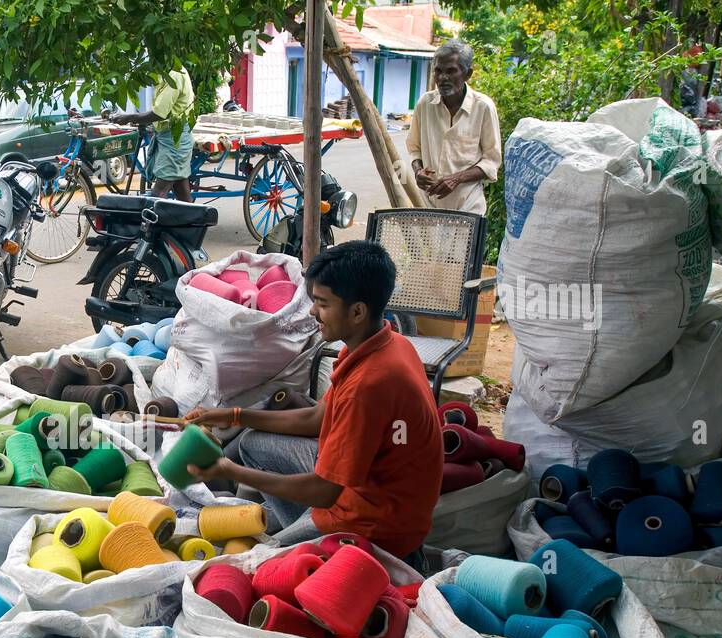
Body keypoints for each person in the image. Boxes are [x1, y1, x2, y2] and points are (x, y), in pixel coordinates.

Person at [184, 241, 443, 565]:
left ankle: (317, 543)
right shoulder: (386, 344)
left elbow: (325, 491)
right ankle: (303, 531)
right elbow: (318, 418)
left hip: (376, 524)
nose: (311, 312)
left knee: (256, 565)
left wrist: (230, 470)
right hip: (373, 491)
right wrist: (234, 415)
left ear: (357, 311)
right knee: (253, 444)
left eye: (322, 303)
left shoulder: (369, 386)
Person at [406, 39, 501, 215]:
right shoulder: (425, 104)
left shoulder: (483, 107)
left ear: (468, 74)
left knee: (464, 244)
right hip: (427, 202)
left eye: (451, 71)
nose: (442, 78)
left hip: (468, 205)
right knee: (426, 244)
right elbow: (414, 148)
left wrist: (456, 179)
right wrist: (418, 171)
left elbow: (492, 161)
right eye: (438, 71)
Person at [110, 66, 196, 202]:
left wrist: (129, 117)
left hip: (175, 139)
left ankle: (150, 224)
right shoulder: (164, 72)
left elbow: (159, 113)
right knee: (181, 190)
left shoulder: (174, 75)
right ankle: (192, 221)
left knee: (158, 194)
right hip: (167, 135)